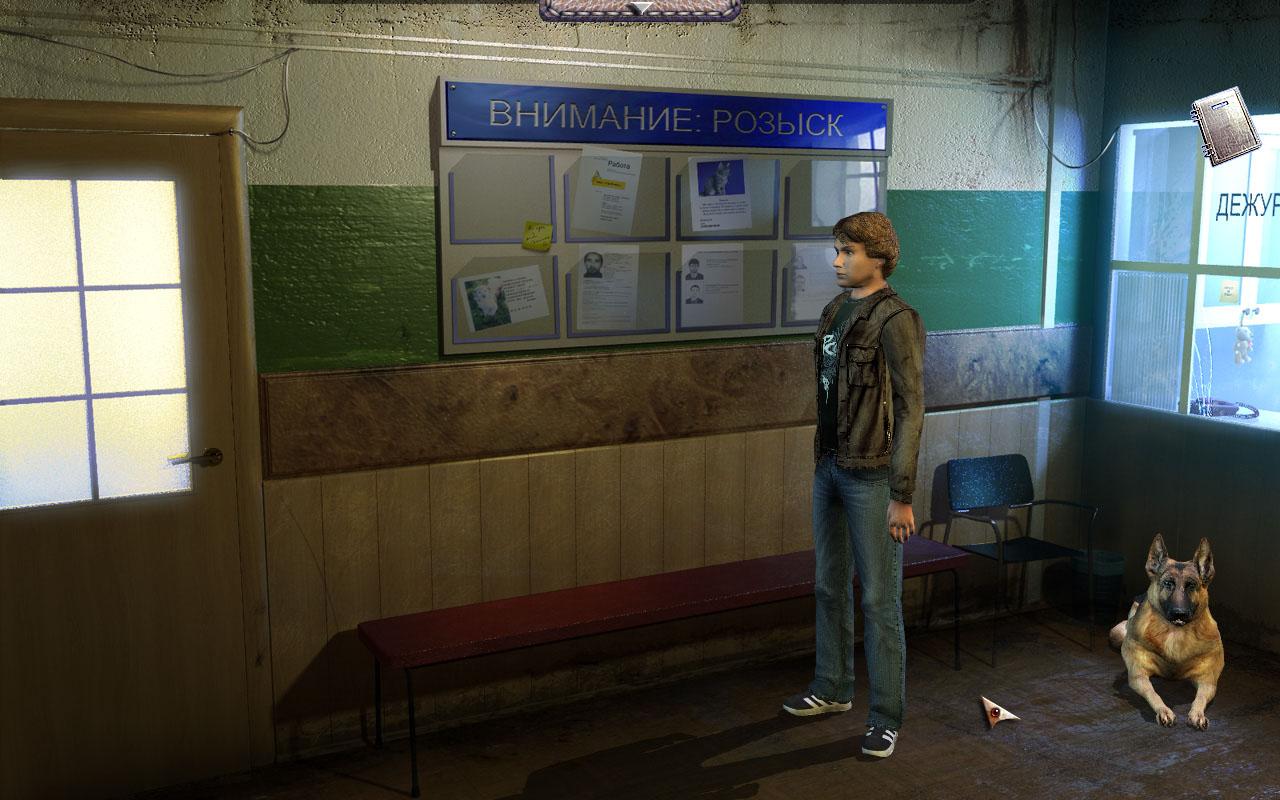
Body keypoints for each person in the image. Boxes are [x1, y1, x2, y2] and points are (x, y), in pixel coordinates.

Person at [781, 211, 925, 760]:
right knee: (828, 585)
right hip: (830, 466)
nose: (838, 261)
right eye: (837, 249)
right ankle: (832, 687)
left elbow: (911, 409)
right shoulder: (836, 310)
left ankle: (886, 716)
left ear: (879, 257)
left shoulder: (897, 319)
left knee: (879, 600)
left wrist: (902, 494)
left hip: (873, 477)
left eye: (849, 251)